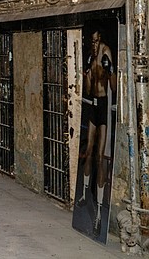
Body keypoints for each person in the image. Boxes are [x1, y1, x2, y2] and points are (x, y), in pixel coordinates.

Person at [76, 30, 117, 235]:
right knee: (89, 151)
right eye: (92, 41)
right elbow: (88, 87)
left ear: (101, 39)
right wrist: (86, 74)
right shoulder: (91, 56)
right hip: (91, 104)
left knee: (100, 157)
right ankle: (84, 193)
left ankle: (99, 211)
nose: (94, 44)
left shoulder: (106, 52)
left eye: (97, 40)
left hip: (103, 105)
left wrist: (110, 72)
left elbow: (114, 86)